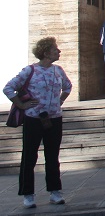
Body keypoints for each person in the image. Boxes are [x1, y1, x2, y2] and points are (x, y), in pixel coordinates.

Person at [4, 37, 72, 209]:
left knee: (52, 156)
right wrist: (21, 105)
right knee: (29, 156)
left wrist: (60, 101)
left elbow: (68, 87)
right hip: (34, 118)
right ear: (46, 52)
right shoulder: (30, 70)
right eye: (55, 49)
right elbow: (8, 88)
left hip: (54, 118)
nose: (59, 51)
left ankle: (55, 192)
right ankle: (28, 194)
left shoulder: (58, 70)